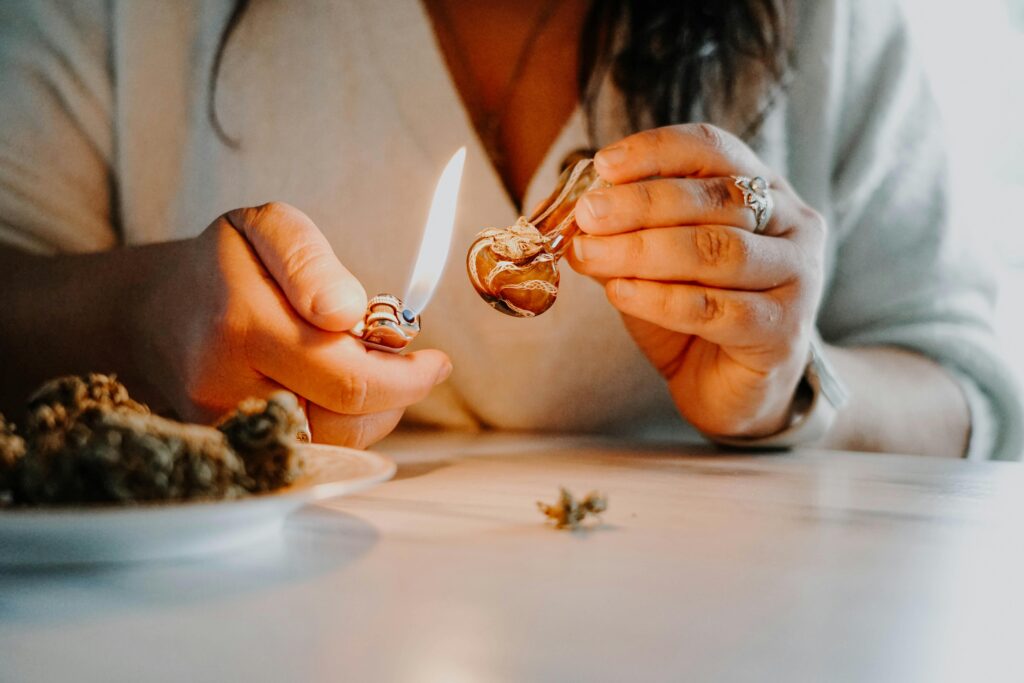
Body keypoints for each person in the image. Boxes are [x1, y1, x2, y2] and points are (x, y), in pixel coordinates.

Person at [0, 0, 1018, 458]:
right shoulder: (126, 20)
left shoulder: (818, 20)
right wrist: (142, 316)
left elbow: (972, 395)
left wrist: (793, 389)